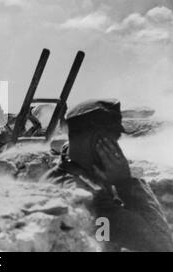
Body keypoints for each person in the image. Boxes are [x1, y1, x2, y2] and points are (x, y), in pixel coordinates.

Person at [41, 99, 173, 252]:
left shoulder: (57, 175)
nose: (117, 146)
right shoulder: (95, 203)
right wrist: (125, 182)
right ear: (99, 139)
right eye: (114, 138)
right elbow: (161, 245)